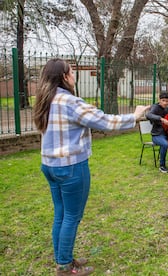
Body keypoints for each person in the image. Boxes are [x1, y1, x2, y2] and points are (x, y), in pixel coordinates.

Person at [33, 58, 149, 275]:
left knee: (61, 214)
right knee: (71, 217)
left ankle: (63, 259)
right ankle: (65, 267)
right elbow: (104, 121)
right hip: (71, 167)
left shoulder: (45, 100)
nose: (74, 76)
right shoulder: (70, 102)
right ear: (64, 77)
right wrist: (135, 115)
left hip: (50, 167)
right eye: (72, 72)